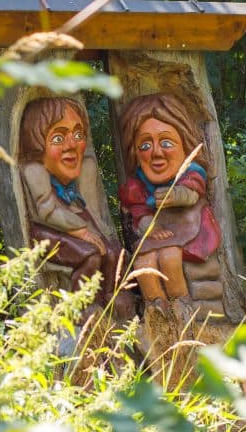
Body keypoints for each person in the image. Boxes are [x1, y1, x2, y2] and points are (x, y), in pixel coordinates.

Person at [18, 97, 134, 325]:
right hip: (46, 234)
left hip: (74, 227)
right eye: (59, 138)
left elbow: (92, 214)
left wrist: (103, 239)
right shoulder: (34, 170)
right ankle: (80, 305)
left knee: (112, 252)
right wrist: (80, 230)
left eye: (78, 135)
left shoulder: (82, 174)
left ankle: (110, 297)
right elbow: (46, 211)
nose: (72, 145)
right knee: (90, 255)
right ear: (38, 144)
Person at [117, 93, 222, 303]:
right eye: (145, 146)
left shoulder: (191, 171)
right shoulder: (138, 184)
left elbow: (192, 191)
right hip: (157, 234)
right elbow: (139, 211)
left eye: (166, 143)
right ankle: (159, 314)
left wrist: (176, 195)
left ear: (184, 143)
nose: (156, 153)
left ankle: (182, 309)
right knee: (143, 264)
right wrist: (149, 225)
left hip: (189, 231)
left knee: (169, 258)